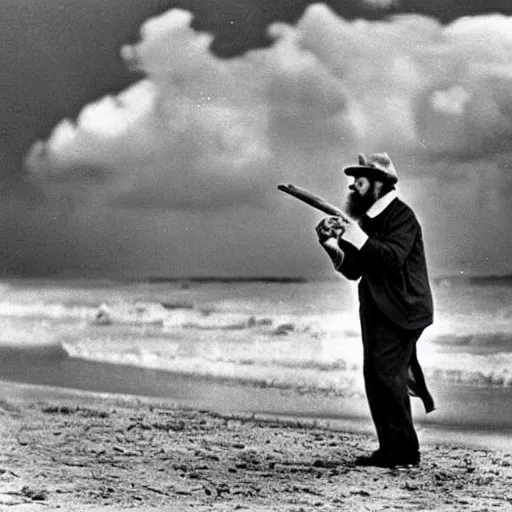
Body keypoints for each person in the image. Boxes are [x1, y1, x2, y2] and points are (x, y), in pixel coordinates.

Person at [316, 152, 435, 468]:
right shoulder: (369, 220)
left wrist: (355, 234)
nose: (353, 187)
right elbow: (356, 268)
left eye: (360, 181)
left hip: (404, 310)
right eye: (353, 182)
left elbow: (392, 258)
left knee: (387, 375)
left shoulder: (403, 218)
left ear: (379, 184)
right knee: (377, 376)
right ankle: (391, 448)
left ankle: (405, 451)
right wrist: (331, 245)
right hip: (377, 310)